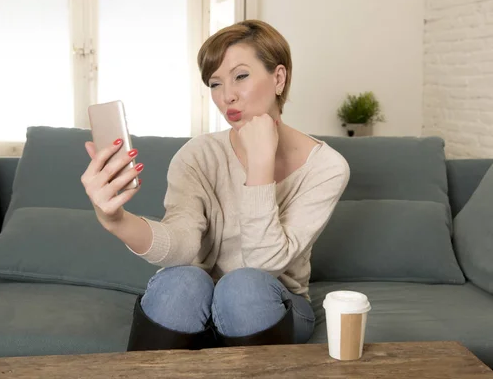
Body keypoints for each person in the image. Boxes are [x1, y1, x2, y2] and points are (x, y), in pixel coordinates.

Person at [81, 19, 350, 351]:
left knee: (242, 286)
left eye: (240, 76)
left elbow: (265, 265)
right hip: (196, 305)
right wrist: (116, 220)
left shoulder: (326, 167)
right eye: (215, 83)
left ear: (278, 78)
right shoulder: (198, 154)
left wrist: (260, 164)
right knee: (181, 280)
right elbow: (182, 246)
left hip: (274, 305)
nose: (227, 97)